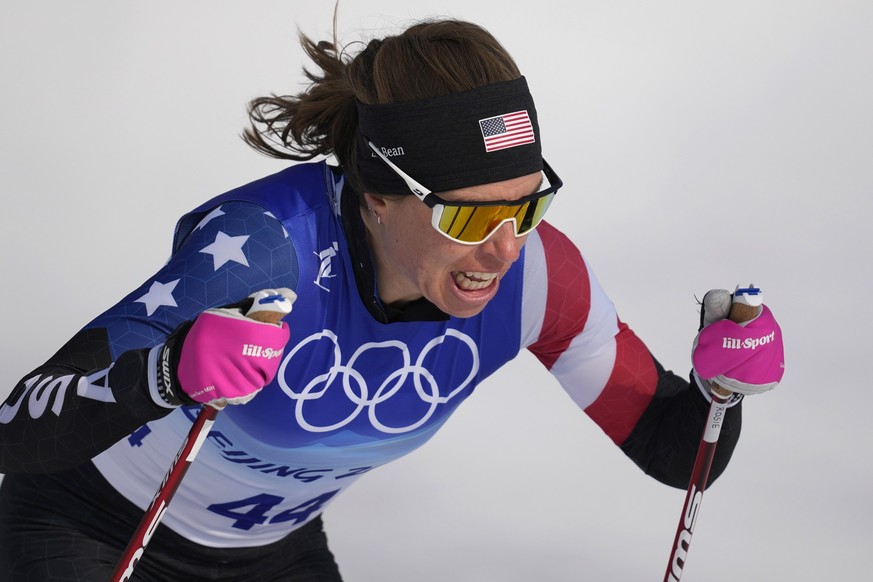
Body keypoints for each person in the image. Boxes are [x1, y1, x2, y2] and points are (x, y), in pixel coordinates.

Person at [0, 16, 784, 581]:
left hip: (270, 555)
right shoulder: (265, 251)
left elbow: (678, 453)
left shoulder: (540, 276)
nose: (505, 247)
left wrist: (723, 391)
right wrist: (165, 371)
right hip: (94, 526)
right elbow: (17, 427)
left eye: (527, 204)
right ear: (378, 194)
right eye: (470, 214)